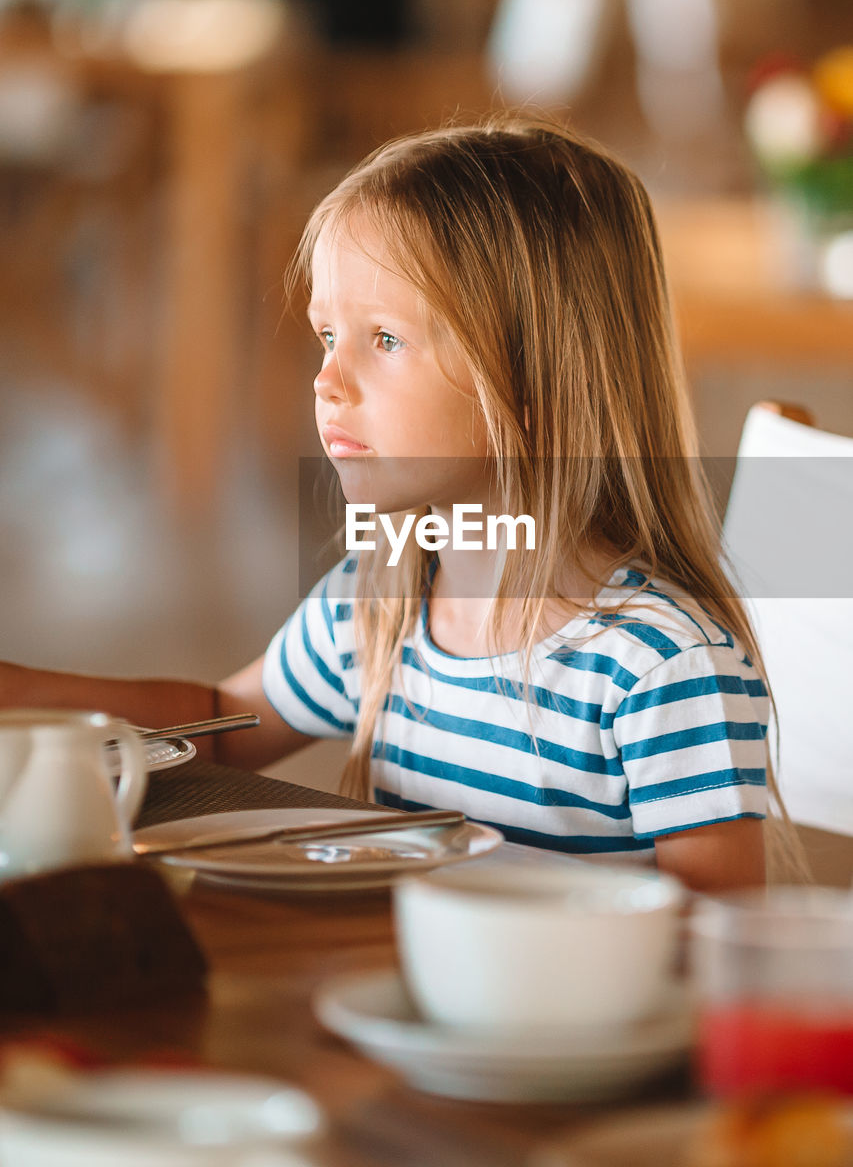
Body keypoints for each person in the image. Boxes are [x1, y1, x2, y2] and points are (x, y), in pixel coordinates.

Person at [0, 118, 774, 892]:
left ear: (536, 382)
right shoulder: (375, 605)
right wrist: (27, 694)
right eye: (328, 335)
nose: (325, 380)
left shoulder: (662, 668)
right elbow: (222, 726)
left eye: (385, 339)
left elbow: (718, 942)